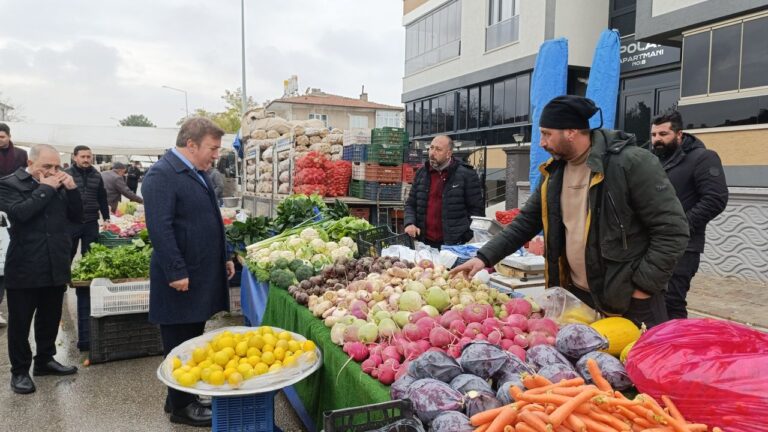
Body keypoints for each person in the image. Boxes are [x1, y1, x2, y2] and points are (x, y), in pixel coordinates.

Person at [452, 95, 690, 329]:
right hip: (579, 297)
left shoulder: (631, 163)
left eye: (546, 134)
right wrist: (483, 258)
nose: (541, 143)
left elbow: (672, 230)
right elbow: (525, 223)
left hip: (631, 302)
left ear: (571, 132)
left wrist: (643, 288)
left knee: (636, 364)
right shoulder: (555, 173)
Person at [142, 117, 234, 427]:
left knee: (192, 337)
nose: (215, 155)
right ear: (191, 144)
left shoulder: (197, 173)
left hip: (199, 271)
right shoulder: (162, 175)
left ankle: (182, 395)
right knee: (178, 340)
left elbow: (211, 218)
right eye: (212, 148)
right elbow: (160, 228)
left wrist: (227, 254)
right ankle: (181, 407)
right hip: (181, 277)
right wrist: (176, 271)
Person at [0, 144, 83, 395]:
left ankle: (45, 360)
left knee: (49, 318)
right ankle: (20, 371)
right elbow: (20, 214)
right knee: (20, 323)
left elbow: (76, 217)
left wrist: (72, 190)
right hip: (25, 264)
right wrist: (46, 188)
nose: (53, 171)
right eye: (46, 166)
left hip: (55, 261)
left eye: (57, 167)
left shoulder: (58, 184)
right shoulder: (9, 184)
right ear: (31, 164)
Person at [650, 111, 728, 319]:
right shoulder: (656, 162)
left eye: (663, 134)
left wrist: (679, 227)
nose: (657, 139)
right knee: (653, 302)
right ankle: (656, 347)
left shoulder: (703, 158)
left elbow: (715, 199)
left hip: (684, 247)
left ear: (679, 134)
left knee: (672, 302)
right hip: (655, 245)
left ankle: (678, 349)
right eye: (654, 135)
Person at [404, 135, 485, 248]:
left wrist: (464, 236)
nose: (432, 153)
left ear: (449, 153)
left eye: (438, 149)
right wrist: (410, 223)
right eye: (431, 148)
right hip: (424, 242)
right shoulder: (421, 173)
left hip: (455, 244)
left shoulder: (466, 175)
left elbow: (477, 211)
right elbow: (410, 204)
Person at [0, 122, 28, 327]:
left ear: (9, 136)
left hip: (14, 205)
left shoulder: (19, 154)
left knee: (9, 254)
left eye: (1, 136)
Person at [65, 145, 111, 259]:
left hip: (91, 221)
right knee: (67, 255)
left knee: (90, 256)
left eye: (88, 157)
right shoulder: (66, 174)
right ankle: (65, 277)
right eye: (82, 157)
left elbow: (102, 197)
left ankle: (88, 278)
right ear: (75, 157)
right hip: (71, 222)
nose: (86, 159)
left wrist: (106, 218)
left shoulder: (97, 175)